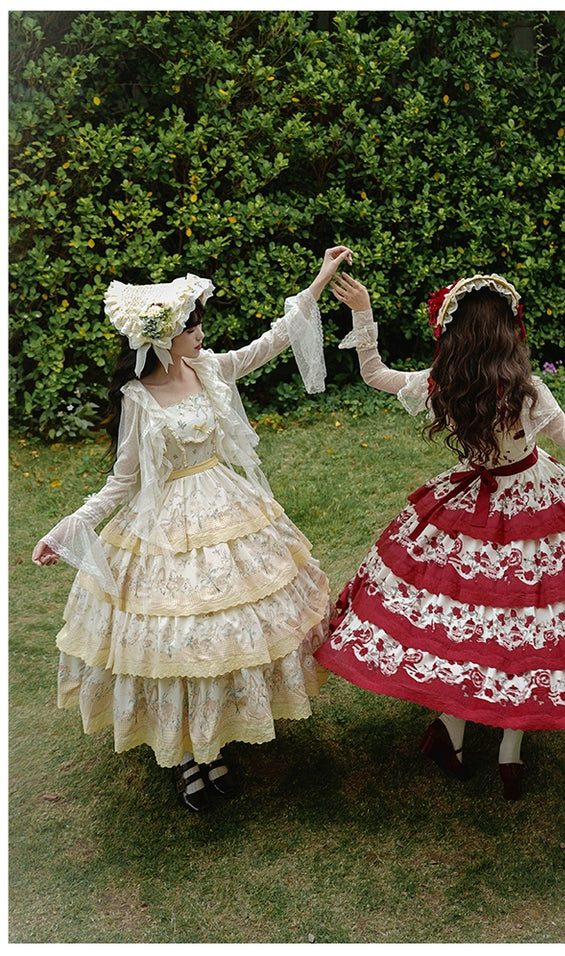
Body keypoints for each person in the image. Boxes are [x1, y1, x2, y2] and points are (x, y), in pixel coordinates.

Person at [315, 270, 565, 800]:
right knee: (526, 626)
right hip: (537, 505)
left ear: (453, 335)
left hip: (469, 506)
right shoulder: (527, 391)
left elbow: (373, 371)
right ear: (507, 332)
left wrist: (363, 310)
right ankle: (508, 753)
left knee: (466, 623)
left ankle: (452, 734)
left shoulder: (442, 383)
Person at [32, 246, 353, 812]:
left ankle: (214, 737)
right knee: (173, 637)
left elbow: (272, 342)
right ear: (162, 339)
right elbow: (122, 480)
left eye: (199, 323)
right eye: (191, 326)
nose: (201, 333)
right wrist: (67, 529)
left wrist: (321, 280)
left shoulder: (209, 368)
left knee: (226, 628)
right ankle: (185, 753)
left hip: (226, 505)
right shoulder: (138, 398)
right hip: (163, 524)